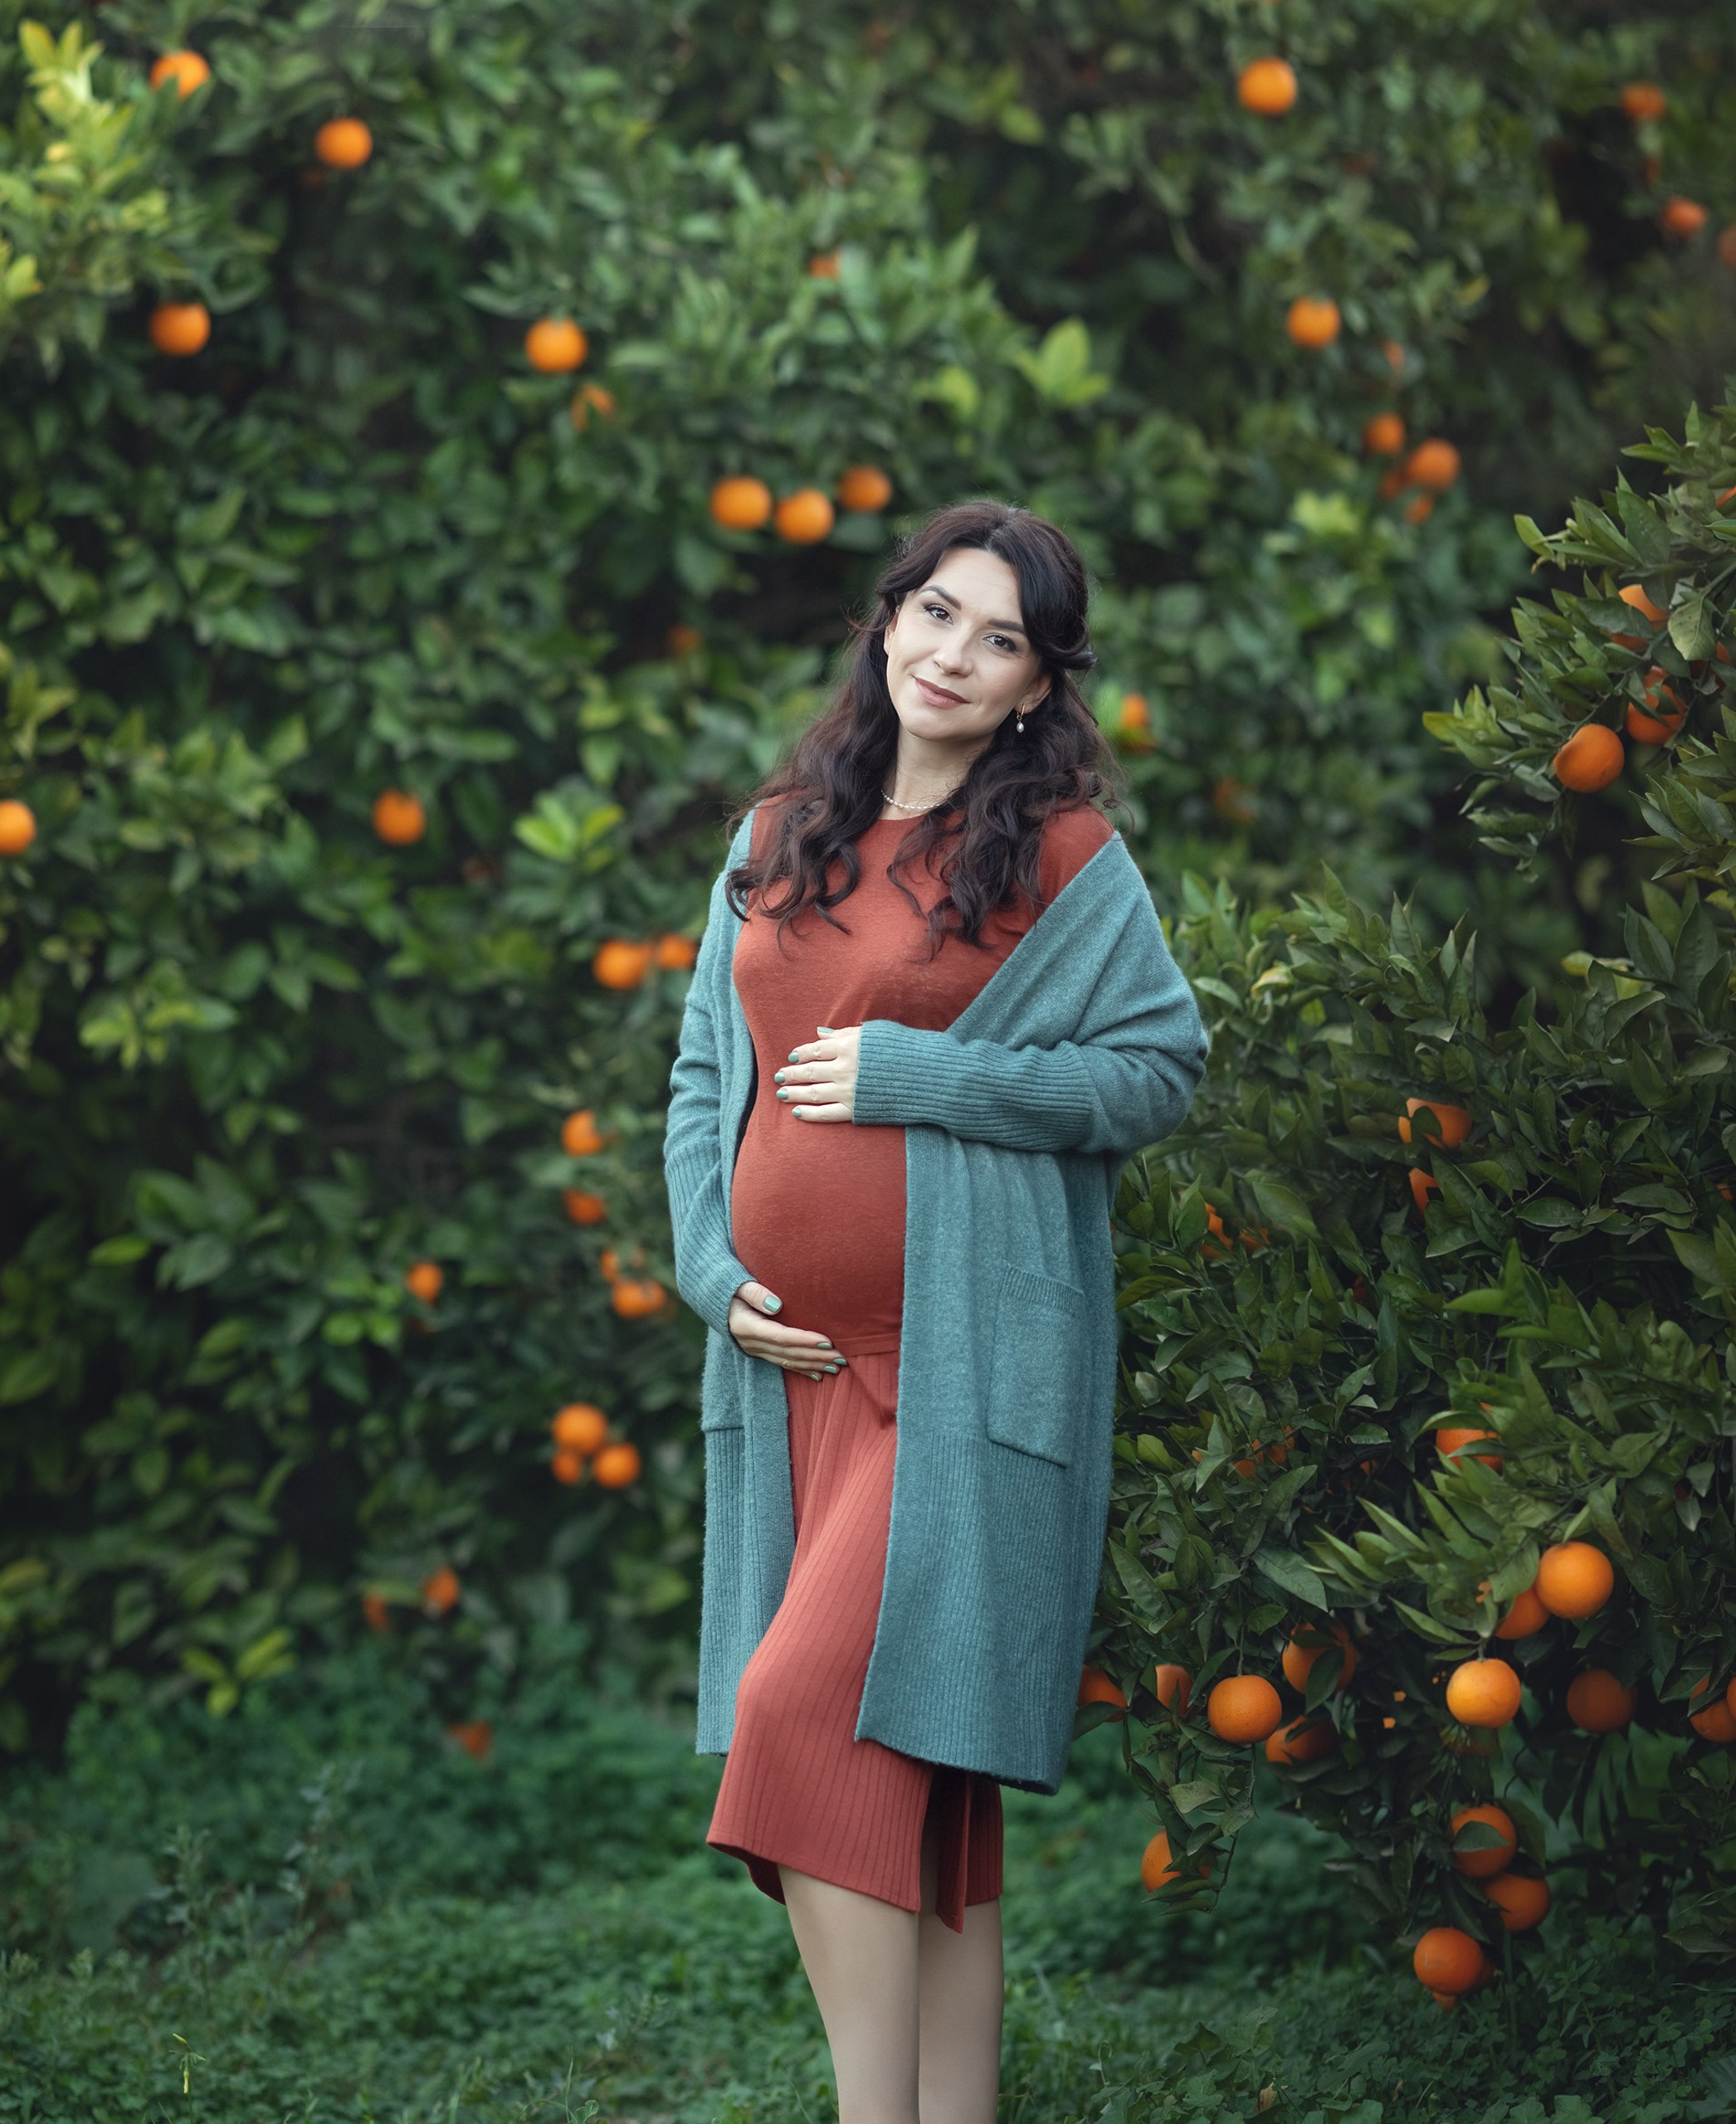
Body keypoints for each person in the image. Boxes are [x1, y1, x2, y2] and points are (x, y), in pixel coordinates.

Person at [662, 499, 1207, 2124]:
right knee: (917, 1780)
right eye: (936, 613)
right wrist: (712, 1274)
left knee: (797, 1714)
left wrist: (932, 1077)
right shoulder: (778, 831)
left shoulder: (1058, 857)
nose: (955, 655)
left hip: (956, 1375)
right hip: (798, 1376)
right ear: (887, 617)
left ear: (1038, 684)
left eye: (1001, 639)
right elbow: (702, 1076)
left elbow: (1155, 1068)